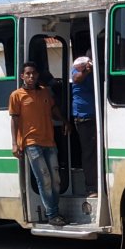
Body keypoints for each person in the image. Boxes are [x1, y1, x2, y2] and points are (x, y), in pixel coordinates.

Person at [9, 62, 71, 226]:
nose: (31, 76)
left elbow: (53, 110)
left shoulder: (44, 92)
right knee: (44, 179)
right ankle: (52, 214)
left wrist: (64, 121)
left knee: (56, 179)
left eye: (34, 73)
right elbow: (14, 120)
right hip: (31, 143)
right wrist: (15, 144)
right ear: (22, 76)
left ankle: (54, 211)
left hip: (49, 141)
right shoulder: (16, 95)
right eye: (27, 74)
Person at [71, 53, 98, 197]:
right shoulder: (77, 71)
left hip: (96, 117)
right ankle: (91, 187)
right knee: (89, 153)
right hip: (84, 118)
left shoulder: (95, 72)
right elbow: (76, 78)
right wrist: (87, 70)